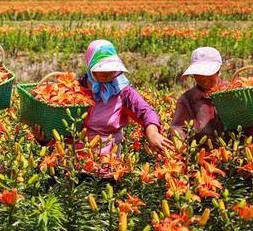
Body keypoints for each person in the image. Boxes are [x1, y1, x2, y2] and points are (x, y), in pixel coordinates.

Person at [34, 39, 173, 157]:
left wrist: (152, 132)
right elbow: (57, 124)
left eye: (111, 68)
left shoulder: (123, 91)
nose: (107, 73)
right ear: (89, 66)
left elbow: (145, 111)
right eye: (102, 68)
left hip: (106, 164)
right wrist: (43, 139)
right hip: (69, 162)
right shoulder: (72, 89)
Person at [171, 47, 253, 141]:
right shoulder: (187, 100)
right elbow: (177, 130)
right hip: (203, 157)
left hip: (239, 153)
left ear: (219, 70)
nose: (203, 79)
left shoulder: (237, 92)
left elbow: (249, 126)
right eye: (198, 74)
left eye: (208, 73)